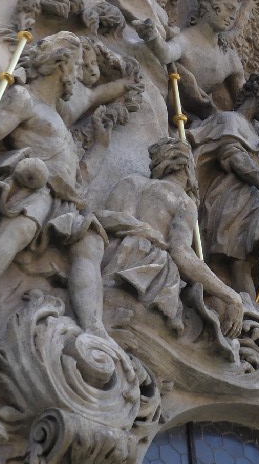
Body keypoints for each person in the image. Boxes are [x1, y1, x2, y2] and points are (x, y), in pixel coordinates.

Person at [0, 32, 140, 335]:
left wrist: (101, 145)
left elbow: (79, 176)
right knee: (22, 227)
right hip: (32, 185)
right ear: (61, 65)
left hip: (64, 198)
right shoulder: (24, 99)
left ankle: (93, 330)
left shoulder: (59, 117)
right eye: (77, 67)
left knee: (91, 242)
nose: (78, 76)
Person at [101, 136, 243, 354]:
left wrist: (138, 229)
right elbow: (181, 254)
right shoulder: (182, 201)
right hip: (147, 271)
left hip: (109, 256)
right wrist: (231, 296)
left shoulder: (131, 182)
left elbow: (106, 218)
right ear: (187, 169)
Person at [189, 72, 259, 319]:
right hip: (229, 199)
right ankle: (244, 311)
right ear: (258, 91)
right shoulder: (230, 120)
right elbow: (233, 156)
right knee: (235, 262)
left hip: (255, 201)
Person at [137, 0, 245, 116]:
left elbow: (245, 102)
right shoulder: (186, 40)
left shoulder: (230, 58)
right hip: (178, 114)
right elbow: (166, 54)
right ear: (208, 4)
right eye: (229, 8)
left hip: (208, 118)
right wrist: (153, 37)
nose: (232, 17)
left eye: (235, 12)